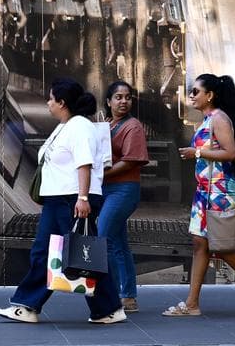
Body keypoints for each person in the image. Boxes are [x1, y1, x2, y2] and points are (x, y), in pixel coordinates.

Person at [0, 78, 127, 325]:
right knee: (51, 253)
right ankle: (31, 305)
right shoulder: (66, 125)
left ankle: (106, 308)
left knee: (79, 254)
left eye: (51, 99)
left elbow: (84, 163)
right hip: (60, 200)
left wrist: (83, 198)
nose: (48, 103)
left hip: (72, 199)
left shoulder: (79, 127)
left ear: (62, 102)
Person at [163, 74, 235, 318]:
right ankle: (192, 303)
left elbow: (230, 153)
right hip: (206, 191)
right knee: (200, 244)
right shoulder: (208, 119)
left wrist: (197, 152)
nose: (191, 96)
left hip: (219, 192)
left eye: (196, 91)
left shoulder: (219, 119)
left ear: (210, 95)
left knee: (222, 246)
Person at [97, 81, 149, 313]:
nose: (123, 101)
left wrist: (102, 173)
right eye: (118, 97)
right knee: (118, 244)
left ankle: (107, 295)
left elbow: (131, 160)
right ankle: (128, 297)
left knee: (103, 238)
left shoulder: (133, 126)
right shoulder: (107, 124)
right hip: (107, 189)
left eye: (127, 97)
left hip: (123, 190)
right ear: (108, 102)